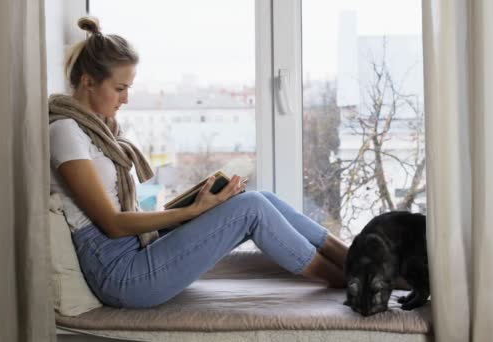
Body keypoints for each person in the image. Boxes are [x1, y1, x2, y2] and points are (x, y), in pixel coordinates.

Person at [49, 16, 347, 309]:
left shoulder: (100, 130)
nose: (126, 99)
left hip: (136, 246)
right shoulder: (66, 131)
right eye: (119, 88)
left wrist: (194, 207)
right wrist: (190, 212)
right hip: (120, 273)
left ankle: (351, 258)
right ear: (88, 82)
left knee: (259, 198)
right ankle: (348, 279)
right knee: (251, 209)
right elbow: (112, 224)